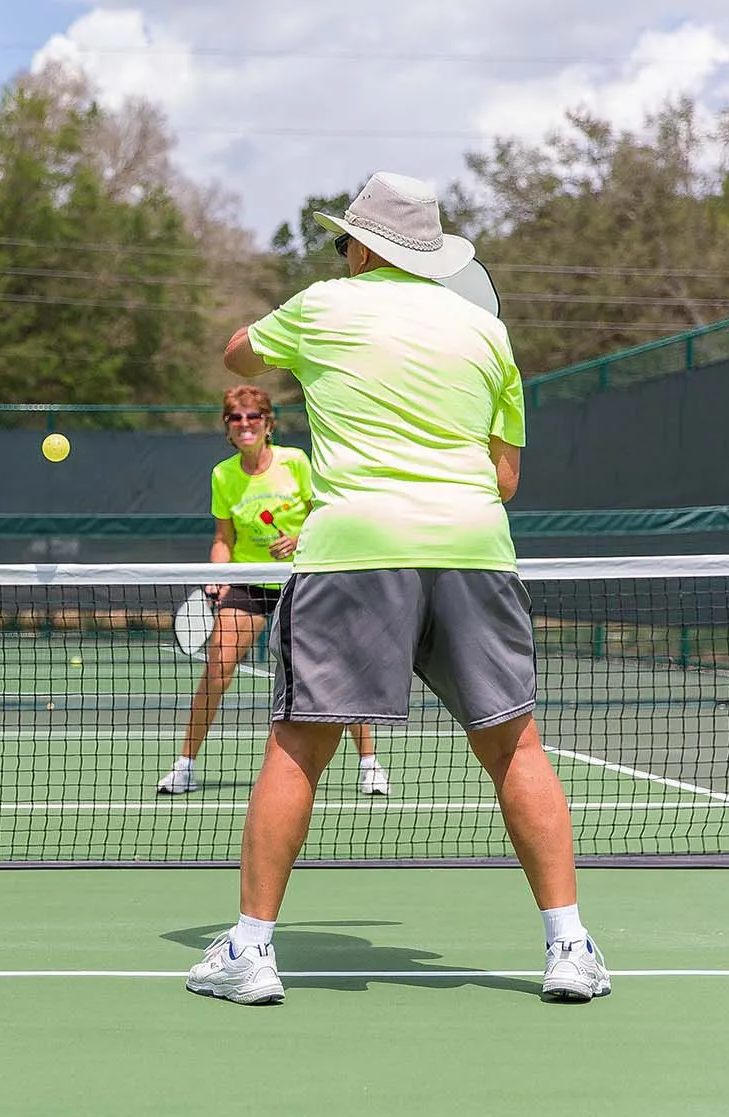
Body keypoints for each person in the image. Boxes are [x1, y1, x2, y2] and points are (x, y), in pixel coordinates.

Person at [186, 172, 609, 1006]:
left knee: (300, 744)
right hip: (473, 549)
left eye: (346, 241)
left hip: (356, 550)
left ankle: (251, 952)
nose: (341, 253)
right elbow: (505, 475)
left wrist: (300, 346)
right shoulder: (488, 335)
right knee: (516, 746)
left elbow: (237, 353)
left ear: (367, 246)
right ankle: (570, 946)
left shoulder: (321, 307)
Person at [157, 384, 389, 798]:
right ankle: (185, 766)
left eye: (253, 417)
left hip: (304, 576)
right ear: (227, 429)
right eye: (235, 418)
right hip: (250, 582)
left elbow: (327, 513)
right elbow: (223, 537)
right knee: (218, 665)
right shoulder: (223, 475)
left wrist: (300, 538)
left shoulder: (295, 462)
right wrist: (217, 573)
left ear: (269, 425)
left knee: (338, 670)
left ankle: (369, 765)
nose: (244, 424)